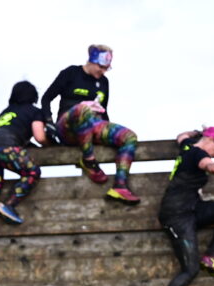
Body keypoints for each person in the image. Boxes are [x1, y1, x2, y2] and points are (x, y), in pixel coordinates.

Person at [148, 126, 214, 286]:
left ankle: (212, 255)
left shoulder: (187, 147)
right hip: (177, 216)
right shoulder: (198, 153)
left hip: (193, 209)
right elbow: (211, 167)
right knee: (190, 270)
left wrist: (192, 132)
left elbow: (180, 137)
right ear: (210, 140)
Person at [41, 44, 141, 204]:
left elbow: (104, 110)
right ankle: (88, 160)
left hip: (93, 125)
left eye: (107, 68)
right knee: (83, 109)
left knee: (129, 136)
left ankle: (120, 186)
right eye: (101, 67)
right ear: (92, 61)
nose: (103, 71)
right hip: (68, 126)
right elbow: (46, 98)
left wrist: (108, 135)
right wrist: (48, 122)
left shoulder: (103, 82)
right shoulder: (71, 73)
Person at [0, 81, 50, 257]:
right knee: (32, 171)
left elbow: (18, 132)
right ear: (33, 96)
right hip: (5, 146)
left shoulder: (6, 112)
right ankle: (8, 204)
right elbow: (40, 136)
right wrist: (50, 144)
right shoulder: (34, 111)